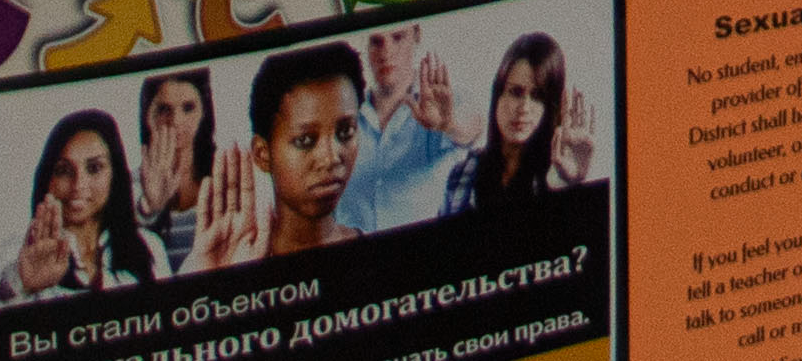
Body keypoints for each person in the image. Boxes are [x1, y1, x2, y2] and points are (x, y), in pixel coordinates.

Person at [198, 45, 363, 263]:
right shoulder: (232, 259)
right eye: (305, 140)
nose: (331, 157)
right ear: (262, 153)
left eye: (345, 132)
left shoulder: (380, 251)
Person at [0, 110, 152, 297]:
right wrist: (22, 283)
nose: (78, 185)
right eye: (63, 170)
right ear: (47, 179)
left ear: (115, 175)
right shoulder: (16, 252)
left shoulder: (148, 245)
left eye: (94, 168)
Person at [334, 24, 461, 236]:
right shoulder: (343, 114)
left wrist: (448, 125)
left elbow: (472, 130)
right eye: (376, 41)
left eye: (397, 37)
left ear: (417, 34)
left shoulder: (445, 101)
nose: (386, 52)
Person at [441, 34, 593, 210]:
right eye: (515, 92)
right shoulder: (463, 172)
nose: (524, 108)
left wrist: (571, 184)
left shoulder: (557, 177)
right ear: (498, 95)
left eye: (537, 97)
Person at [133, 72, 211, 273]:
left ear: (204, 111)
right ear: (147, 115)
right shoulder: (125, 186)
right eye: (164, 109)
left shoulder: (225, 177)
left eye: (188, 108)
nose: (176, 121)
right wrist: (148, 209)